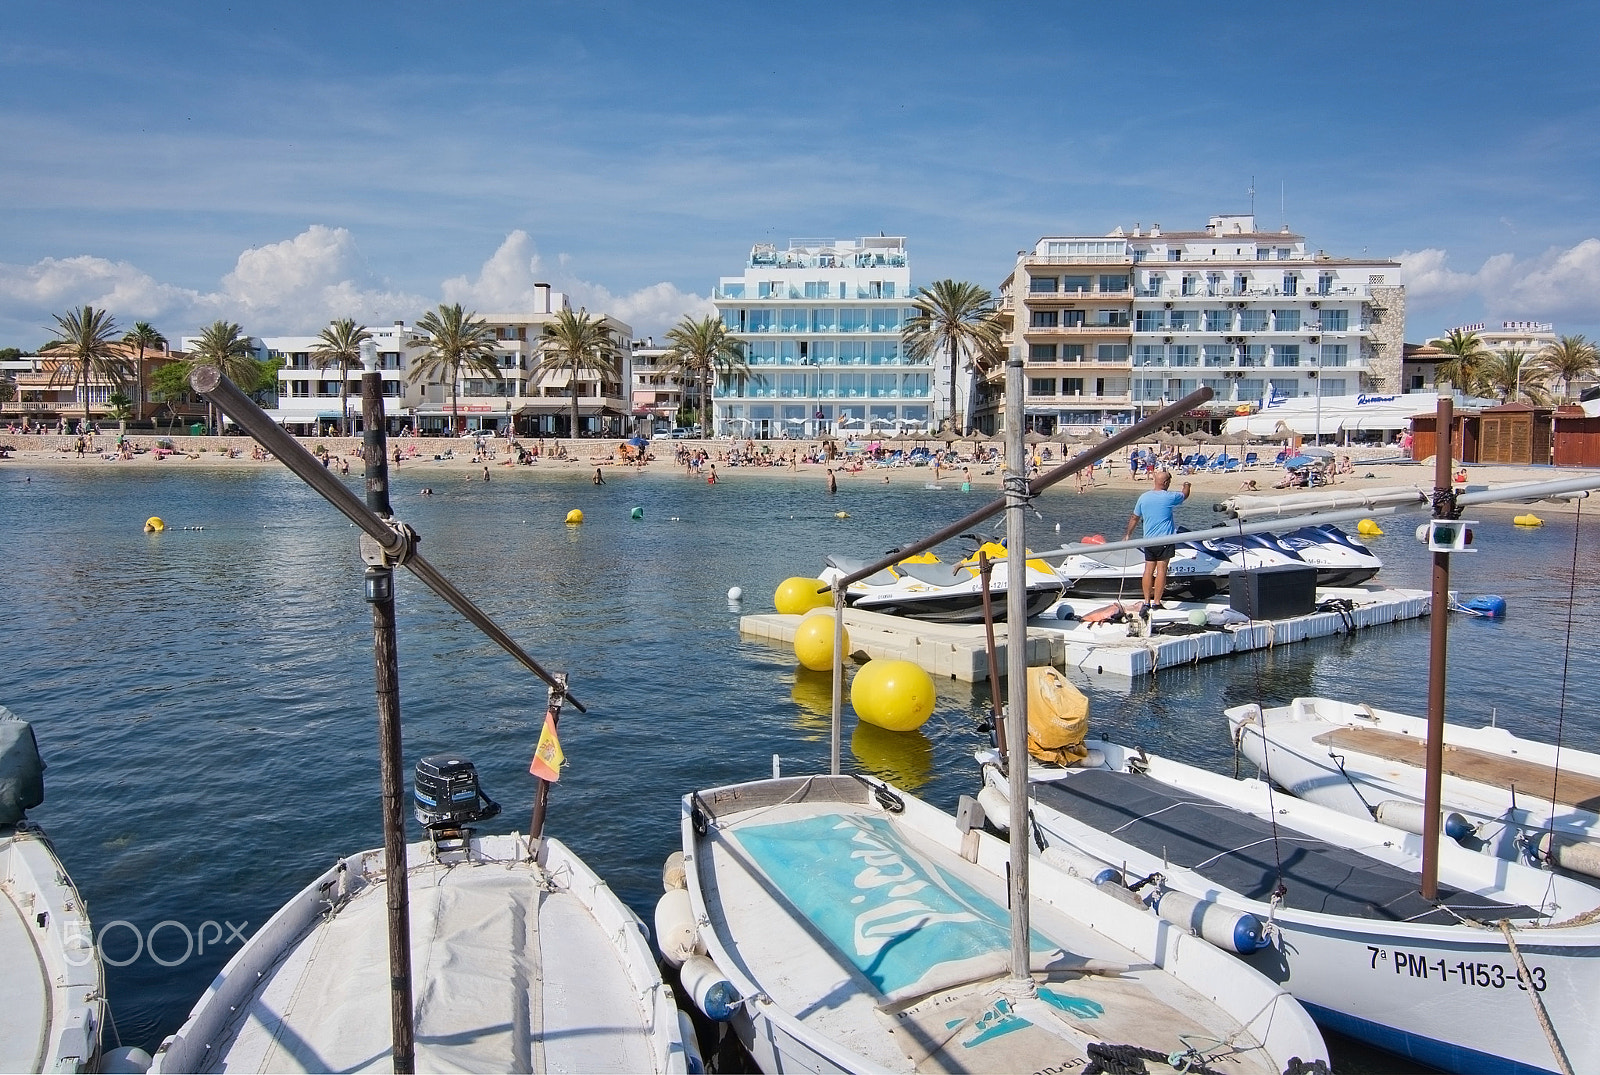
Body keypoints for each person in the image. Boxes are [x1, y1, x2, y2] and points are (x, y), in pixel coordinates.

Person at [1123, 470, 1191, 610]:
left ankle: (1146, 601)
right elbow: (1184, 495)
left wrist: (1128, 534)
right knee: (1161, 571)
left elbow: (1134, 518)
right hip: (1164, 541)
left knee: (1148, 570)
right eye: (1169, 482)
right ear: (1165, 483)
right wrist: (1187, 485)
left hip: (1148, 540)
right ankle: (1157, 602)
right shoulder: (1169, 497)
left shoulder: (1143, 497)